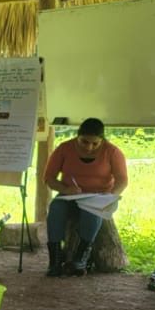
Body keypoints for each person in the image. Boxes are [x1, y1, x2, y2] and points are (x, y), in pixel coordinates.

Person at [41, 118, 128, 277]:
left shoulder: (112, 152)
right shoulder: (64, 149)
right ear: (77, 137)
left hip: (98, 197)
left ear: (102, 140)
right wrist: (66, 189)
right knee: (55, 209)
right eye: (84, 142)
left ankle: (79, 259)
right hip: (69, 196)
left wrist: (110, 196)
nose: (89, 147)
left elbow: (122, 180)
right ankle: (55, 260)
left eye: (95, 144)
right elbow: (49, 178)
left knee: (92, 214)